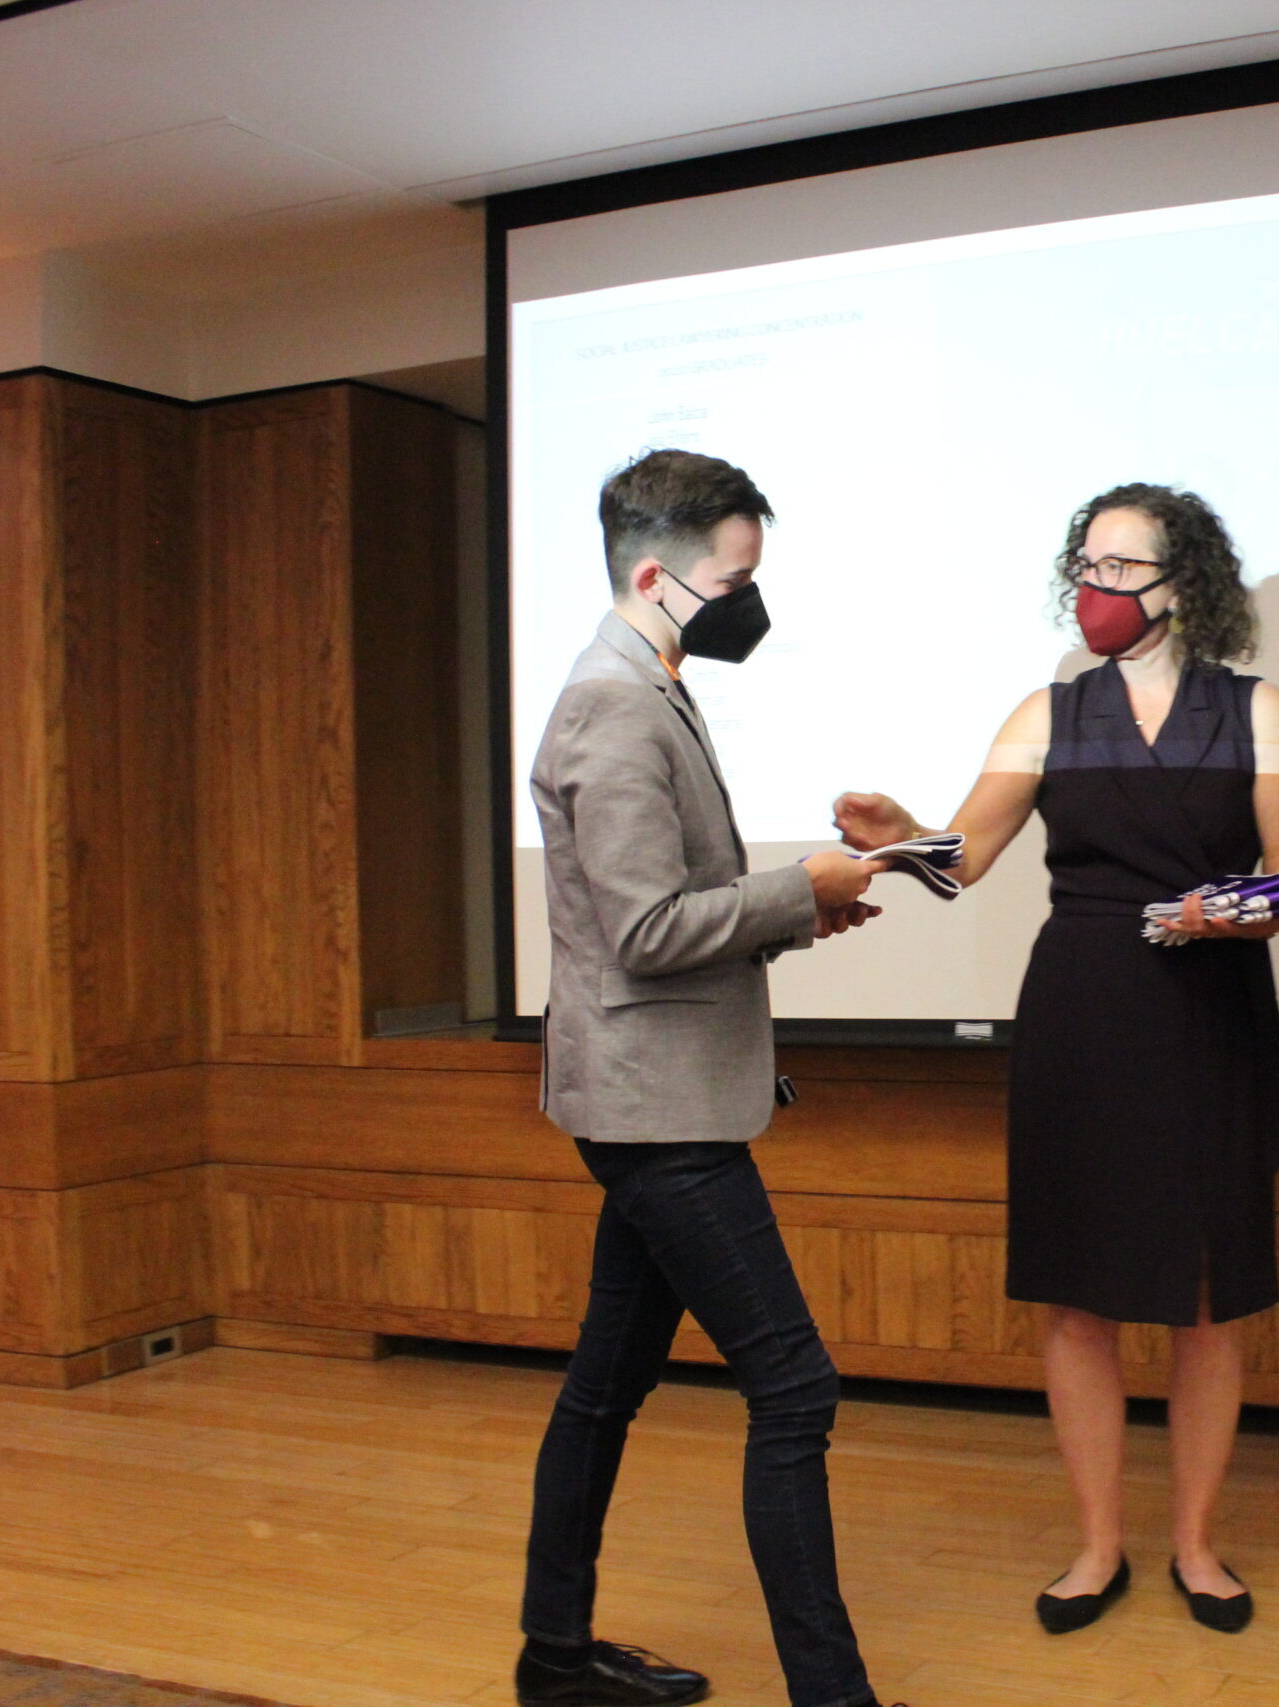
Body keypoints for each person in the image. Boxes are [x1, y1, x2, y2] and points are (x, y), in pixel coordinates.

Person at [835, 483, 1279, 1637]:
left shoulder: (1260, 709)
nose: (1095, 588)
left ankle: (1196, 1547)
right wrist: (901, 839)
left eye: (1119, 568)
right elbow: (962, 861)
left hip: (1209, 1006)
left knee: (1205, 1300)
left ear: (1179, 583)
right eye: (1085, 566)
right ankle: (1096, 1546)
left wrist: (1228, 911)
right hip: (1082, 1009)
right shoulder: (1045, 712)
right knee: (1076, 1295)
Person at [520, 449, 902, 1707]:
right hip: (655, 1110)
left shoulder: (647, 684)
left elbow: (672, 906)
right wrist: (803, 887)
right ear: (653, 574)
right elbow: (641, 930)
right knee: (794, 1386)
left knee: (604, 1386)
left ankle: (556, 1661)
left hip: (649, 1094)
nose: (748, 601)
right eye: (733, 578)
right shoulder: (613, 706)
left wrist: (800, 913)